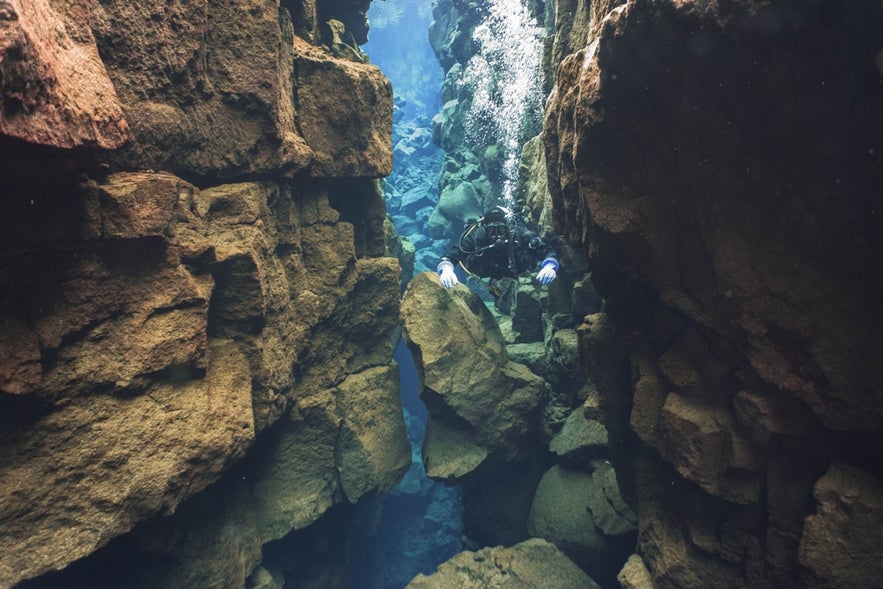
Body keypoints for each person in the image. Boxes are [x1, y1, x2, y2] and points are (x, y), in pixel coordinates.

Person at [437, 205, 559, 288]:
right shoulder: (478, 236)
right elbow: (455, 252)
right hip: (485, 269)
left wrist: (550, 265)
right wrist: (446, 268)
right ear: (485, 230)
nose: (497, 235)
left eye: (500, 229)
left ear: (507, 228)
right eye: (492, 231)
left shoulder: (518, 233)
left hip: (518, 267)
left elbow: (545, 249)